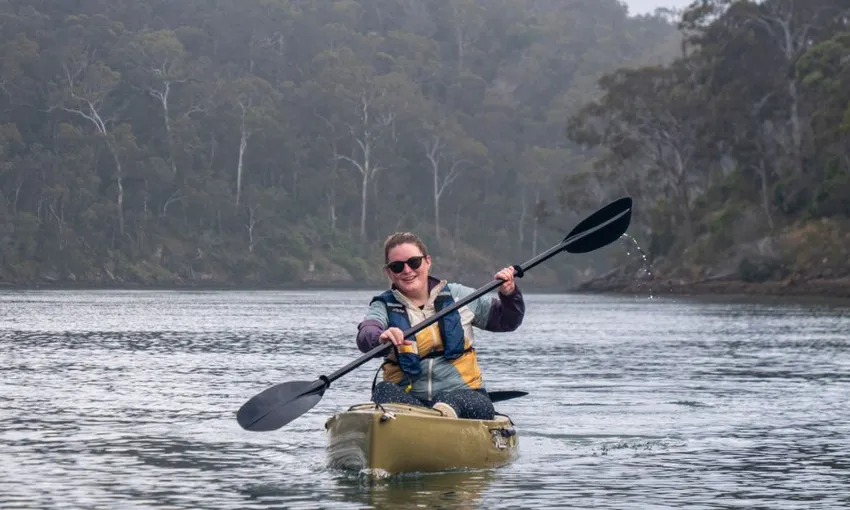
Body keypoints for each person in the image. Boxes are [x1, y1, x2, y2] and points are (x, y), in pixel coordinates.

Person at [356, 232, 525, 420]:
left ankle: (443, 415)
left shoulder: (460, 296)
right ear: (388, 272)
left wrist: (510, 295)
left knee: (474, 402)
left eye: (414, 262)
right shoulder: (382, 306)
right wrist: (380, 338)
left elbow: (508, 320)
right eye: (397, 266)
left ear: (427, 261)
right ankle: (425, 420)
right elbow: (367, 333)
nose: (407, 270)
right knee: (384, 390)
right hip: (410, 404)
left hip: (461, 397)